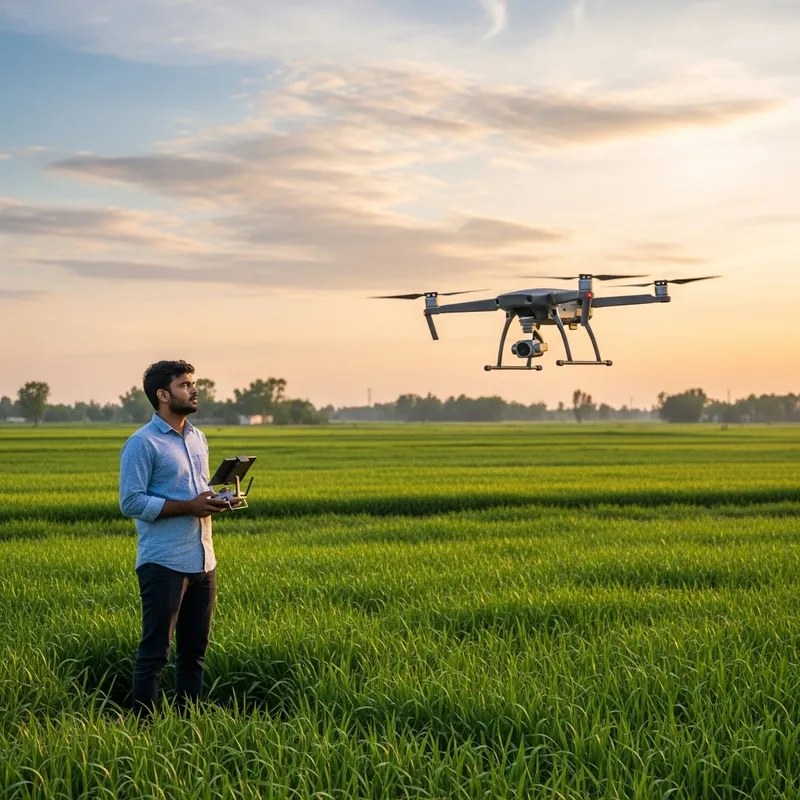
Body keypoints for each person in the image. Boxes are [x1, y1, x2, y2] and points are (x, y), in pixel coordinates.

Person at [119, 360, 228, 717]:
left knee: (194, 654)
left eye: (193, 383)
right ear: (163, 395)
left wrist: (216, 500)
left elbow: (198, 492)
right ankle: (142, 733)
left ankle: (188, 726)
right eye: (185, 385)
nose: (194, 390)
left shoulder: (198, 438)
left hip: (203, 560)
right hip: (163, 562)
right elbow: (130, 501)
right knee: (154, 654)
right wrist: (189, 506)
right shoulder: (142, 443)